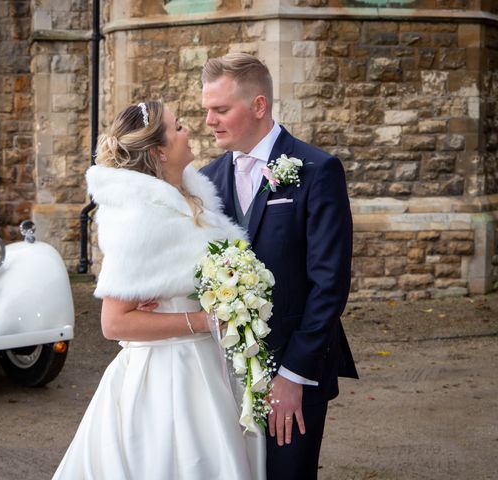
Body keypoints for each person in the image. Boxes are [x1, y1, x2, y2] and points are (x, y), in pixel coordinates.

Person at [52, 100, 266, 479]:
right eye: (178, 127)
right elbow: (114, 323)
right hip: (167, 378)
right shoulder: (140, 218)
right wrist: (201, 320)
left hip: (209, 366)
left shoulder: (193, 197)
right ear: (159, 150)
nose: (189, 130)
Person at [200, 53, 359, 479]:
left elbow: (329, 284)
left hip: (293, 371)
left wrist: (293, 376)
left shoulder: (317, 170)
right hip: (222, 374)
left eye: (220, 110)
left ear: (258, 106)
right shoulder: (205, 180)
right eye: (206, 111)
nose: (209, 121)